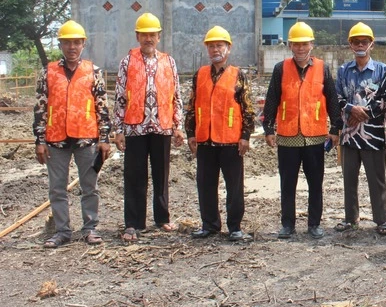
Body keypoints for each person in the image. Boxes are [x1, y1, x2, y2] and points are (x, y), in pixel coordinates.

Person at [34, 20, 111, 248]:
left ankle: (90, 228)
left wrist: (104, 139)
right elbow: (40, 108)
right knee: (57, 188)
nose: (72, 47)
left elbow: (102, 107)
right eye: (67, 42)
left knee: (90, 187)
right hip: (55, 140)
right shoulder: (48, 72)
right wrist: (39, 140)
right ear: (60, 44)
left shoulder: (93, 72)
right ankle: (62, 231)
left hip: (86, 138)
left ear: (83, 44)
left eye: (76, 42)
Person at [263, 22, 342, 240]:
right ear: (290, 45)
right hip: (288, 137)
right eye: (296, 44)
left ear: (311, 45)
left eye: (304, 44)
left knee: (315, 183)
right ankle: (287, 224)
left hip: (315, 136)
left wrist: (335, 127)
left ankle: (314, 224)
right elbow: (272, 99)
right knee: (288, 183)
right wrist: (268, 127)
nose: (300, 48)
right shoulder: (280, 69)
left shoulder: (323, 68)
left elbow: (332, 100)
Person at [114, 13, 184, 243]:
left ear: (158, 36)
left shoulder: (169, 62)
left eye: (152, 34)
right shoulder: (127, 62)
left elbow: (176, 95)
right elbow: (119, 97)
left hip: (162, 126)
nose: (148, 39)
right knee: (135, 176)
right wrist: (118, 129)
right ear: (137, 36)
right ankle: (133, 223)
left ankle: (162, 218)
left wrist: (178, 125)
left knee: (161, 175)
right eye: (144, 35)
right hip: (135, 127)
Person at [186, 26, 256, 242]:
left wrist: (245, 136)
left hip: (231, 142)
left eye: (219, 45)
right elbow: (192, 105)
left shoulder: (238, 75)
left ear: (228, 48)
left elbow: (248, 109)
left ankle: (235, 227)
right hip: (205, 141)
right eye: (211, 46)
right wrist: (190, 133)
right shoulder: (200, 75)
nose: (215, 49)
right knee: (205, 185)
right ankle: (209, 225)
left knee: (234, 187)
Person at [335, 22, 386, 235]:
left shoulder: (382, 71)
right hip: (349, 136)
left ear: (371, 44)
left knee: (377, 180)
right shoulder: (343, 71)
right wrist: (352, 109)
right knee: (349, 179)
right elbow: (337, 98)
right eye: (356, 42)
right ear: (350, 45)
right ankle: (351, 218)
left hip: (373, 136)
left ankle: (381, 220)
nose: (360, 45)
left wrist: (362, 113)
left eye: (364, 41)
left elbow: (384, 100)